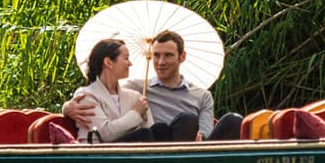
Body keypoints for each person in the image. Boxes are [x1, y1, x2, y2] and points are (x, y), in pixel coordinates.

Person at [64, 30, 243, 141]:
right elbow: (100, 90)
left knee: (231, 120)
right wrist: (67, 107)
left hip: (195, 144)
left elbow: (205, 131)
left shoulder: (202, 96)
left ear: (182, 57)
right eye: (156, 55)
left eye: (168, 55)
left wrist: (201, 136)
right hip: (161, 144)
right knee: (167, 127)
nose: (160, 62)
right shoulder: (138, 89)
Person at [71, 39, 155, 143]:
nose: (130, 63)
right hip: (101, 153)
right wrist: (136, 113)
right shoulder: (87, 95)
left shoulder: (135, 96)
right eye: (126, 58)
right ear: (108, 62)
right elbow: (106, 133)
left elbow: (152, 132)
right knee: (143, 134)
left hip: (130, 151)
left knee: (160, 128)